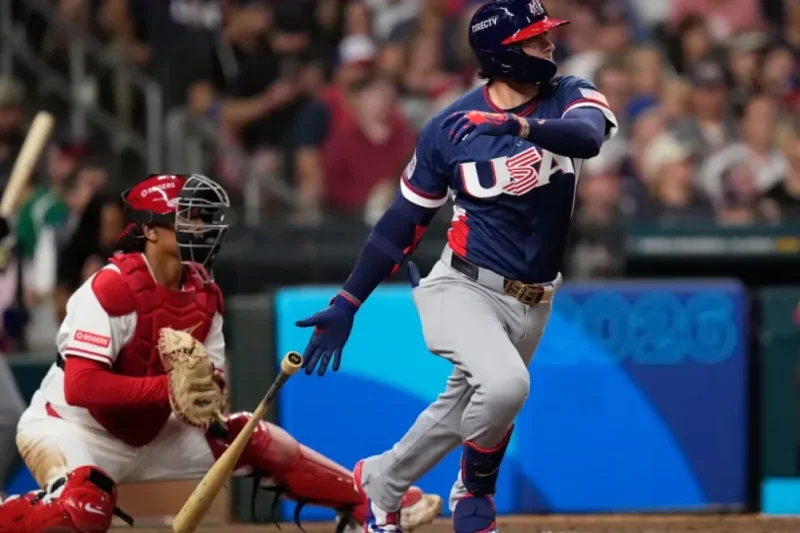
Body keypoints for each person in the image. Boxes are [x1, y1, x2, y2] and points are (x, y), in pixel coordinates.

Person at [294, 1, 618, 532]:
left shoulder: (568, 92)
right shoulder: (449, 127)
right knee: (505, 387)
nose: (549, 45)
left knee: (461, 411)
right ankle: (474, 491)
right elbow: (402, 222)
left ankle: (380, 483)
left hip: (536, 296)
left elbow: (588, 137)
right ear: (503, 54)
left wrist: (513, 125)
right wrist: (348, 302)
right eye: (536, 39)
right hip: (465, 286)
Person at [0, 173, 441, 533]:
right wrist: (167, 389)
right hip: (72, 428)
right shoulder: (110, 289)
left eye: (202, 217)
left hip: (151, 433)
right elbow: (80, 387)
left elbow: (207, 390)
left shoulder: (205, 295)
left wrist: (206, 395)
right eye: (186, 218)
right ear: (149, 230)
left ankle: (369, 502)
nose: (200, 227)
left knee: (253, 437)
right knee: (85, 506)